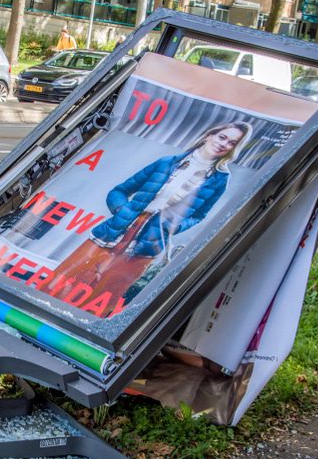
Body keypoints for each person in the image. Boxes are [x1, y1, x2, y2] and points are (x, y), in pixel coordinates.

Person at [43, 121, 254, 314]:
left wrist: (171, 226)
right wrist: (125, 212)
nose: (223, 144)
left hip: (150, 241)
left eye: (231, 143)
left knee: (104, 297)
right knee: (63, 280)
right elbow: (119, 192)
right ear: (210, 135)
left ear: (233, 149)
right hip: (116, 229)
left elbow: (199, 216)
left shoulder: (220, 179)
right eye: (222, 137)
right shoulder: (166, 162)